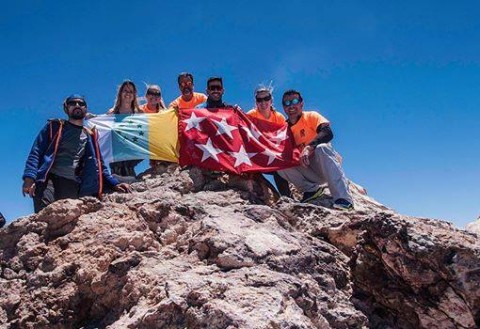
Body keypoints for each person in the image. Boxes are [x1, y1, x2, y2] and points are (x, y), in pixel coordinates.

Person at [22, 94, 132, 213]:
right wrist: (29, 178)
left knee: (65, 218)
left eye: (81, 104)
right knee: (45, 215)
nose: (77, 106)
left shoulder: (90, 135)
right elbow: (36, 152)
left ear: (86, 109)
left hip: (72, 184)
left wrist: (114, 183)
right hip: (48, 180)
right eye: (72, 103)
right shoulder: (54, 127)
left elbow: (99, 164)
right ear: (66, 108)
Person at [278, 89, 354, 209]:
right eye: (287, 103)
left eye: (294, 101)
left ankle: (344, 199)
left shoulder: (311, 116)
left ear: (301, 103)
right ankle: (311, 190)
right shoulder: (284, 128)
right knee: (279, 163)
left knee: (322, 147)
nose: (291, 105)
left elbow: (328, 133)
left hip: (324, 165)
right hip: (308, 170)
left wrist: (309, 147)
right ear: (283, 107)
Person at [247, 85, 291, 197]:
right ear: (256, 102)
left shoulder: (279, 117)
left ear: (271, 101)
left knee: (279, 168)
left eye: (266, 98)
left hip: (272, 154)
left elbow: (284, 139)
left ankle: (286, 197)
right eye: (259, 100)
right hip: (256, 155)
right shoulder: (251, 115)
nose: (263, 102)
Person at [107, 80, 143, 177]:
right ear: (120, 93)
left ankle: (129, 170)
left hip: (132, 154)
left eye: (131, 91)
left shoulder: (139, 113)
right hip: (116, 157)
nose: (128, 94)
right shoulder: (112, 113)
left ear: (134, 95)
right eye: (125, 91)